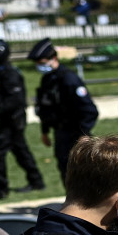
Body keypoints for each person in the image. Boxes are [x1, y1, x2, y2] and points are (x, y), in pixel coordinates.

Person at [0, 38, 46, 201]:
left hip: (13, 121)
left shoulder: (9, 73)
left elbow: (15, 100)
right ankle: (37, 181)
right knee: (21, 151)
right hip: (8, 120)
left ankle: (1, 189)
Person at [27, 37, 99, 182]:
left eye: (42, 63)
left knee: (81, 172)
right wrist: (45, 131)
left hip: (76, 133)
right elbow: (45, 107)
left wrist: (83, 133)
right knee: (64, 169)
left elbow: (89, 110)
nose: (39, 66)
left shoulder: (69, 79)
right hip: (60, 133)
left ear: (53, 58)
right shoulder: (48, 79)